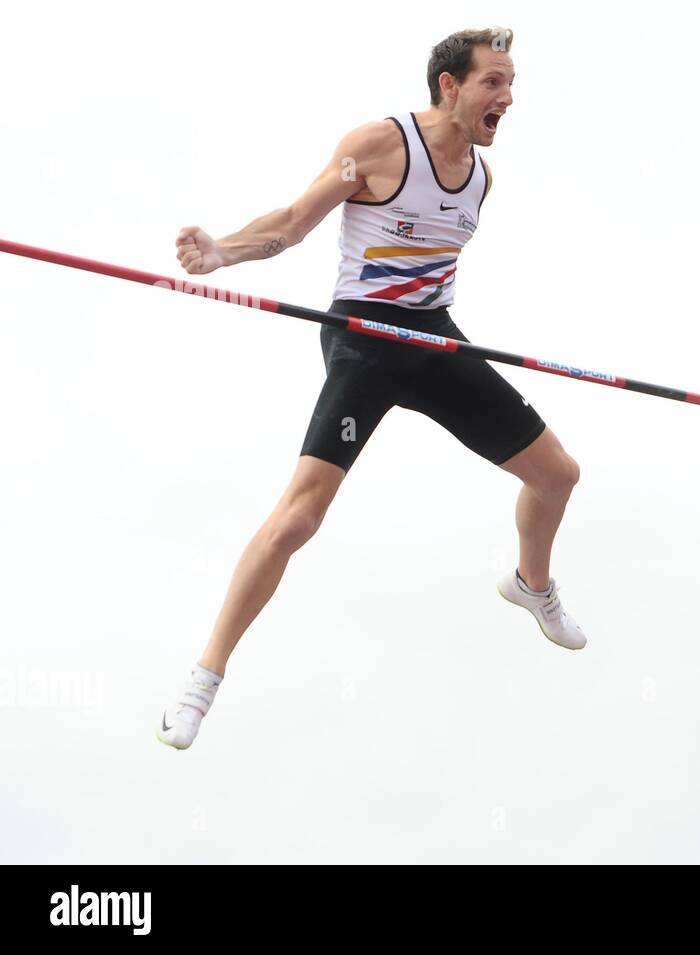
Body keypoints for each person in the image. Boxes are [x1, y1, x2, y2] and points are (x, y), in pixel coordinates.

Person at [158, 27, 585, 752]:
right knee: (297, 519)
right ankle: (205, 675)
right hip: (365, 339)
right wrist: (223, 250)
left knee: (556, 475)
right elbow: (294, 224)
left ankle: (529, 583)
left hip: (431, 339)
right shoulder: (382, 145)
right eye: (493, 82)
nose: (507, 97)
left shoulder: (481, 178)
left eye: (511, 85)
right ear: (450, 85)